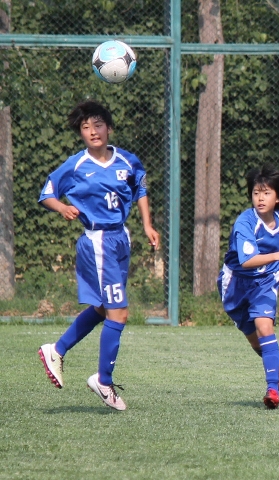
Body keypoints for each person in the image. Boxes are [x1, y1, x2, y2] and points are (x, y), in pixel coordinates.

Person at [38, 100, 160, 411]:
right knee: (119, 312)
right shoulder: (76, 165)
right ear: (80, 133)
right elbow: (47, 193)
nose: (92, 131)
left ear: (109, 128)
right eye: (85, 127)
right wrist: (62, 206)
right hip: (98, 242)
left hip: (121, 238)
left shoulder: (127, 161)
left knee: (105, 309)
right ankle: (103, 381)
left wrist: (147, 224)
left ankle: (57, 349)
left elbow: (141, 189)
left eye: (98, 125)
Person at [217, 165, 279, 409]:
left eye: (266, 193)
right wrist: (278, 255)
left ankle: (272, 390)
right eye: (256, 193)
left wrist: (276, 260)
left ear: (278, 197)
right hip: (236, 284)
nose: (260, 198)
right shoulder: (245, 222)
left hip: (265, 282)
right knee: (256, 342)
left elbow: (274, 254)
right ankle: (277, 360)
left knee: (265, 328)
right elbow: (247, 261)